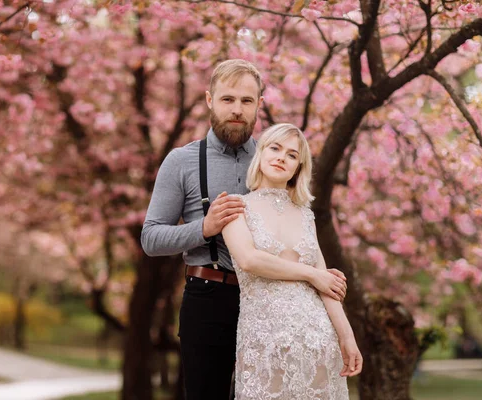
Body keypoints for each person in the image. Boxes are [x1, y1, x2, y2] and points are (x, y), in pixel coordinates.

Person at [141, 59, 348, 399]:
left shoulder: (279, 158)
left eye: (246, 101)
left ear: (258, 106)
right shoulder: (181, 162)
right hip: (209, 297)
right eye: (227, 99)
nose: (237, 110)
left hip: (275, 304)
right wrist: (204, 228)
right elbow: (151, 238)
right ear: (210, 100)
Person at [222, 123, 362, 399]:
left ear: (298, 167)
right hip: (265, 342)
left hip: (318, 341)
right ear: (261, 153)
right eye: (275, 148)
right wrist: (310, 274)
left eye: (291, 155)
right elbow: (249, 260)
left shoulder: (305, 215)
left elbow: (327, 283)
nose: (281, 158)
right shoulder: (235, 205)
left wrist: (347, 338)